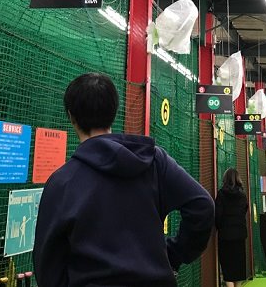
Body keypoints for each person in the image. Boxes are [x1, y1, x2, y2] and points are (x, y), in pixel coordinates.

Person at [33, 72, 215, 287]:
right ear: (114, 112)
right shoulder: (154, 161)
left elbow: (47, 264)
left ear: (72, 116)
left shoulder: (62, 181)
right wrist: (173, 255)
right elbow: (202, 206)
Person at [215, 168, 248, 287]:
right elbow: (244, 210)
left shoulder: (221, 194)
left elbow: (217, 215)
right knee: (239, 269)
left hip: (225, 236)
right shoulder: (242, 195)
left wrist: (219, 227)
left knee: (227, 270)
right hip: (240, 235)